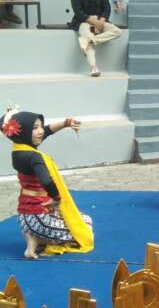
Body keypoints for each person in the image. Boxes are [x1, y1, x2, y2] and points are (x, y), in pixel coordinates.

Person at [2, 109, 92, 259]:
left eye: (40, 127)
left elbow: (48, 131)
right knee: (85, 225)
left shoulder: (19, 150)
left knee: (75, 220)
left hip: (24, 218)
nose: (41, 131)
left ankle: (31, 242)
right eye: (35, 128)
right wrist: (56, 198)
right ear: (23, 132)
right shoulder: (34, 157)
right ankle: (39, 239)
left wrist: (66, 123)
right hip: (39, 217)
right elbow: (46, 181)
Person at [70, 0, 122, 77]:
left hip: (100, 21)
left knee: (117, 31)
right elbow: (78, 12)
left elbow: (107, 8)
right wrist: (95, 22)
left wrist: (102, 21)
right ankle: (93, 67)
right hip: (83, 22)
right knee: (87, 34)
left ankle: (90, 40)